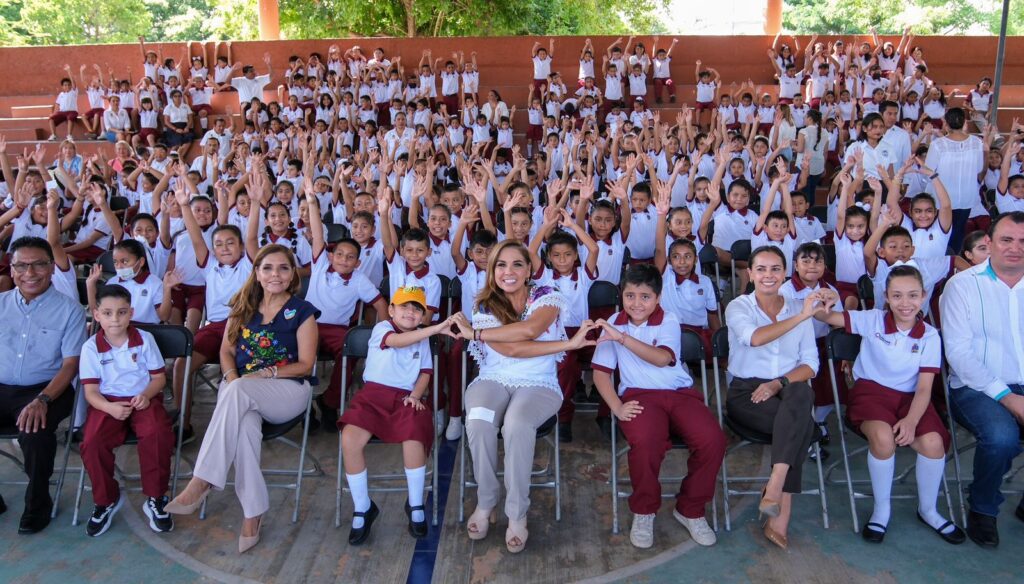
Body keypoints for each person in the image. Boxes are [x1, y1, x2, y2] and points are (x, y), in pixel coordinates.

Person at [165, 244, 319, 554]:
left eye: (283, 268)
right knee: (245, 428)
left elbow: (305, 363)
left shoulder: (302, 312)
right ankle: (253, 512)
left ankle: (203, 479)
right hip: (242, 389)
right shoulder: (242, 306)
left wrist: (265, 375)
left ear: (292, 276)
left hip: (287, 390)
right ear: (258, 274)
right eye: (268, 268)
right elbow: (225, 352)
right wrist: (233, 378)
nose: (275, 274)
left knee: (237, 394)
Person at [451, 240, 597, 553]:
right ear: (492, 271)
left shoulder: (547, 295)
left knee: (516, 425)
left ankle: (516, 512)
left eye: (517, 264)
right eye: (500, 265)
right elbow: (509, 349)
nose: (509, 271)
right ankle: (486, 499)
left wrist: (474, 335)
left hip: (539, 382)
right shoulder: (484, 304)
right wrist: (566, 346)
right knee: (477, 420)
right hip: (493, 378)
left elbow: (527, 334)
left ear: (529, 268)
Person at [815, 267, 965, 544]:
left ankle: (928, 510)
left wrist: (910, 421)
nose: (904, 303)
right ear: (886, 297)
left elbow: (923, 388)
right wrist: (822, 301)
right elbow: (827, 316)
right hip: (870, 393)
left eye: (912, 295)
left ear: (923, 297)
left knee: (933, 442)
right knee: (884, 439)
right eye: (897, 296)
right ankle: (882, 509)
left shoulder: (930, 336)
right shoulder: (872, 320)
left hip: (911, 399)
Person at [591, 264, 726, 549]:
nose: (636, 303)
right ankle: (644, 510)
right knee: (646, 442)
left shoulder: (668, 319)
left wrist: (622, 338)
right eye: (630, 296)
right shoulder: (613, 321)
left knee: (712, 439)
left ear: (658, 298)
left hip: (679, 393)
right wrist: (616, 407)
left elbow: (663, 359)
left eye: (644, 297)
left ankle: (690, 509)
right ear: (621, 296)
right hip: (640, 396)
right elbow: (601, 373)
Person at [725, 245, 828, 550]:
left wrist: (778, 382)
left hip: (786, 390)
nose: (768, 276)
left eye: (775, 269)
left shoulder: (799, 307)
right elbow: (754, 338)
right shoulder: (738, 307)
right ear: (750, 273)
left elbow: (811, 364)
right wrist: (801, 318)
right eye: (761, 269)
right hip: (747, 394)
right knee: (803, 426)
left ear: (785, 273)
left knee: (799, 389)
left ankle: (776, 480)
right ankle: (780, 510)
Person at [339, 287, 455, 545]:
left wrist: (415, 395)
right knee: (349, 439)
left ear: (423, 316)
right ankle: (363, 507)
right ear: (391, 310)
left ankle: (415, 505)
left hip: (405, 397)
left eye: (417, 309)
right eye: (404, 306)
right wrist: (435, 329)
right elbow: (398, 341)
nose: (410, 312)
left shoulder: (422, 338)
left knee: (414, 435)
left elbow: (426, 371)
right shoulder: (382, 328)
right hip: (372, 396)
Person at [939, 211, 1024, 548]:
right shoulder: (962, 286)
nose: (1015, 248)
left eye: (1023, 241)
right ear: (988, 242)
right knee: (1002, 437)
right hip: (976, 388)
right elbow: (958, 354)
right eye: (1007, 240)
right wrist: (1008, 397)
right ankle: (983, 508)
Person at [0, 237, 86, 533]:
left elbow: (70, 365)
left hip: (49, 389)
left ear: (51, 268)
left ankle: (38, 502)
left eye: (38, 264)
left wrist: (42, 399)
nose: (30, 272)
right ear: (11, 270)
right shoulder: (0, 304)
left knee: (34, 433)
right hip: (2, 387)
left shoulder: (70, 310)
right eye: (21, 265)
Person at [79, 284, 175, 537]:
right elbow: (90, 393)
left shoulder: (144, 339)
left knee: (157, 433)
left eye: (121, 312)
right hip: (106, 402)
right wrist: (109, 407)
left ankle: (155, 497)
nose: (115, 319)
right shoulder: (90, 347)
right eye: (108, 313)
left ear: (131, 313)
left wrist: (145, 395)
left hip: (143, 399)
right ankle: (105, 500)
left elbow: (158, 379)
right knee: (92, 441)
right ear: (96, 315)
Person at [923, 108, 984, 252]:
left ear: (946, 124)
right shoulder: (976, 142)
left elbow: (928, 172)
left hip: (942, 198)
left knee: (942, 233)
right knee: (958, 232)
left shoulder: (938, 144)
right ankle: (954, 262)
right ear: (964, 122)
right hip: (966, 197)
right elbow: (979, 168)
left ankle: (944, 263)